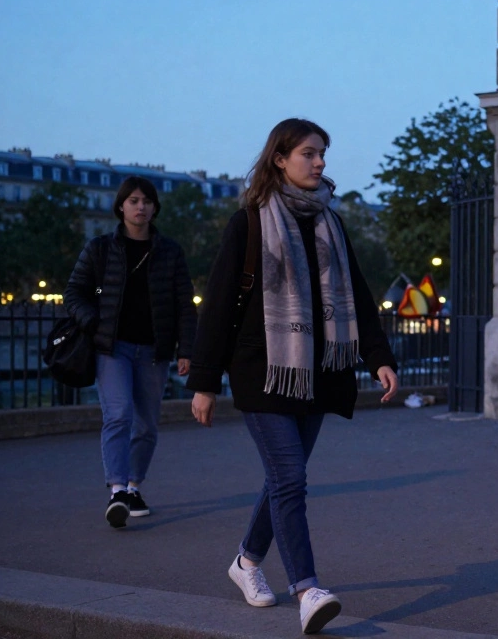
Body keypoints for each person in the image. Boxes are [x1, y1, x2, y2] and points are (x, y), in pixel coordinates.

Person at [185, 118, 399, 635]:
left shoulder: (331, 221)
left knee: (285, 478)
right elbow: (217, 308)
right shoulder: (251, 222)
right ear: (280, 158)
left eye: (323, 153)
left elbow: (361, 297)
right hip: (264, 371)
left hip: (318, 373)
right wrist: (206, 382)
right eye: (309, 153)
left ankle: (246, 562)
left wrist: (378, 357)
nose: (320, 162)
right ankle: (308, 588)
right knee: (290, 478)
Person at [64, 176, 197, 529]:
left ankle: (134, 486)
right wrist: (93, 322)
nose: (140, 206)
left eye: (147, 201)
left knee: (147, 425)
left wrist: (187, 348)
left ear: (155, 207)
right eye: (133, 200)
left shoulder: (170, 251)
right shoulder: (100, 249)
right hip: (113, 347)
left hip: (154, 350)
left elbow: (184, 303)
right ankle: (117, 490)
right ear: (121, 206)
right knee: (118, 414)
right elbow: (73, 293)